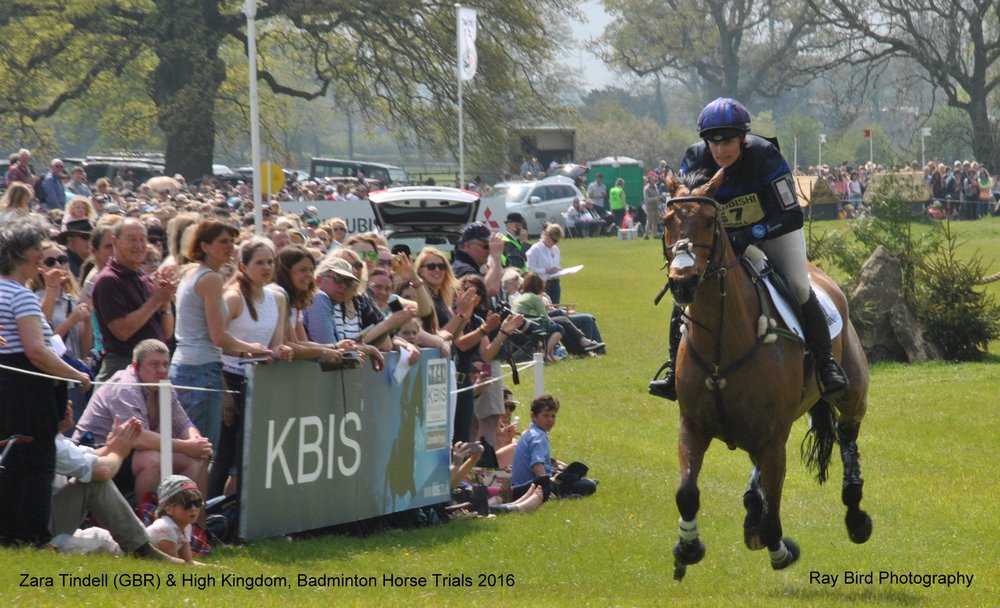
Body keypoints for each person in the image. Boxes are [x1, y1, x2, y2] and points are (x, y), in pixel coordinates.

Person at [650, 97, 847, 401]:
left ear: (743, 138)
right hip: (716, 239)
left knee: (798, 285)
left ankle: (826, 363)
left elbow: (792, 215)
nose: (720, 150)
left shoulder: (765, 156)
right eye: (713, 142)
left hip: (772, 231)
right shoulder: (694, 158)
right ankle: (672, 371)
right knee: (686, 291)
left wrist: (751, 233)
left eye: (727, 141)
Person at [0, 216, 92, 546]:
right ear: (22, 255)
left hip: (6, 391)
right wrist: (76, 374)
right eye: (37, 249)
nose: (42, 255)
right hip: (27, 393)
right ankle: (30, 536)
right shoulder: (21, 297)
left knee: (11, 461)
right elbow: (37, 351)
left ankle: (8, 533)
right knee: (37, 464)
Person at [171, 220, 273, 451]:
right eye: (223, 241)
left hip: (186, 367)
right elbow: (219, 337)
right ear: (205, 246)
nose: (230, 247)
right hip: (201, 370)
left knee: (189, 451)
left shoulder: (193, 274)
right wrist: (253, 348)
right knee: (202, 452)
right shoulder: (210, 279)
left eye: (232, 241)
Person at [73, 339, 212, 505]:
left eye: (165, 364)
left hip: (125, 454)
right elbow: (138, 438)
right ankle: (147, 525)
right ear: (135, 365)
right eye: (154, 364)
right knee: (151, 458)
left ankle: (191, 527)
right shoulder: (125, 386)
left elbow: (183, 424)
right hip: (94, 453)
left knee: (200, 457)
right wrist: (187, 446)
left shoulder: (163, 386)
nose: (161, 370)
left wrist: (197, 443)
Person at [212, 237, 293, 498]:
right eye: (260, 263)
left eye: (270, 262)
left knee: (252, 451)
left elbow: (276, 344)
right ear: (243, 266)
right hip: (230, 377)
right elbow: (215, 341)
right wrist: (224, 392)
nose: (267, 267)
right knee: (225, 453)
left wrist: (283, 351)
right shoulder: (233, 298)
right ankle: (210, 510)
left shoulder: (277, 298)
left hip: (259, 380)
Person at [51, 404, 183, 563]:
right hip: (38, 535)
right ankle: (143, 549)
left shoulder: (54, 440)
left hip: (48, 525)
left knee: (104, 538)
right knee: (94, 481)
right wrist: (119, 451)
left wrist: (113, 445)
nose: (69, 403)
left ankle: (150, 547)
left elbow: (89, 456)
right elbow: (102, 471)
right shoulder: (47, 443)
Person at [92, 218, 177, 382]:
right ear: (115, 242)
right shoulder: (108, 280)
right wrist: (155, 301)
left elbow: (166, 333)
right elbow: (122, 332)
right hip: (123, 370)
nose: (138, 245)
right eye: (131, 239)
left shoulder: (142, 278)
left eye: (142, 239)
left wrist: (165, 300)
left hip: (152, 371)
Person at [511, 393, 597, 501]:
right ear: (533, 416)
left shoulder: (529, 432)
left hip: (520, 484)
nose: (550, 420)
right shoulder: (538, 436)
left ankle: (577, 480)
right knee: (589, 486)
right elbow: (537, 464)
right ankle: (566, 492)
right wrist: (547, 488)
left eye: (553, 416)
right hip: (533, 487)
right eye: (545, 415)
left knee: (574, 477)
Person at [146, 475, 203, 564]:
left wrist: (217, 568)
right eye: (187, 504)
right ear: (169, 509)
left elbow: (188, 561)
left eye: (197, 503)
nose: (194, 508)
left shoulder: (186, 526)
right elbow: (174, 565)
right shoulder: (166, 527)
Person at [451, 222, 504, 297]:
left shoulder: (465, 266)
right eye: (486, 246)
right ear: (468, 246)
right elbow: (489, 290)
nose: (489, 251)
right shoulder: (464, 270)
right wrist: (496, 257)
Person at [525, 223, 564, 304]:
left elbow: (554, 265)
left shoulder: (556, 249)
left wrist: (558, 269)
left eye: (557, 241)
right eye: (553, 240)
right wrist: (545, 271)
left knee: (556, 307)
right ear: (547, 236)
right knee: (546, 307)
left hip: (555, 283)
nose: (555, 243)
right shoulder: (536, 249)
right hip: (542, 283)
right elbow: (530, 268)